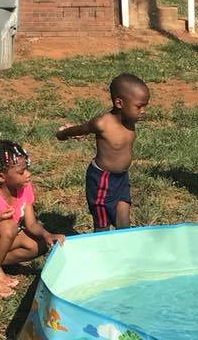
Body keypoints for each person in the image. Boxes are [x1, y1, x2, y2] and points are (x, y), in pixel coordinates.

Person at [0, 141, 64, 297]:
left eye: (27, 169)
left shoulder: (24, 188)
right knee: (9, 226)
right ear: (1, 177)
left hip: (2, 239)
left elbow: (31, 223)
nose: (28, 174)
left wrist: (47, 234)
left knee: (39, 245)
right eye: (22, 172)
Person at [56, 73, 149, 230]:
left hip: (121, 178)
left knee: (124, 224)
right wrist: (64, 133)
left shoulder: (129, 120)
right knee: (102, 223)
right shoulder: (103, 123)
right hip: (102, 180)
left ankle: (123, 249)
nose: (143, 111)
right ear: (119, 103)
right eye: (139, 106)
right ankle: (102, 248)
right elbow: (82, 128)